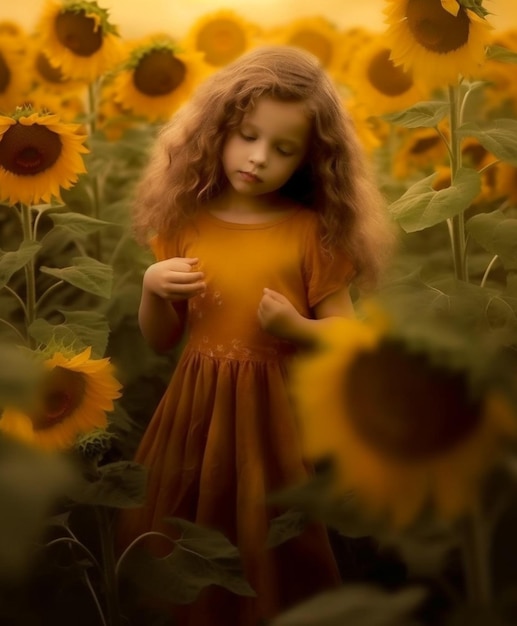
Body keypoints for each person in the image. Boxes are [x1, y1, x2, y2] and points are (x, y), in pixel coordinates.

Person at [118, 45, 393, 626]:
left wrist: (297, 327)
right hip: (198, 407)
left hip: (278, 416)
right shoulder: (184, 224)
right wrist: (152, 289)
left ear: (310, 161)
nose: (258, 157)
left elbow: (350, 337)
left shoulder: (310, 233)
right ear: (218, 129)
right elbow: (162, 340)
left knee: (274, 524)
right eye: (246, 135)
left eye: (283, 148)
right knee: (193, 515)